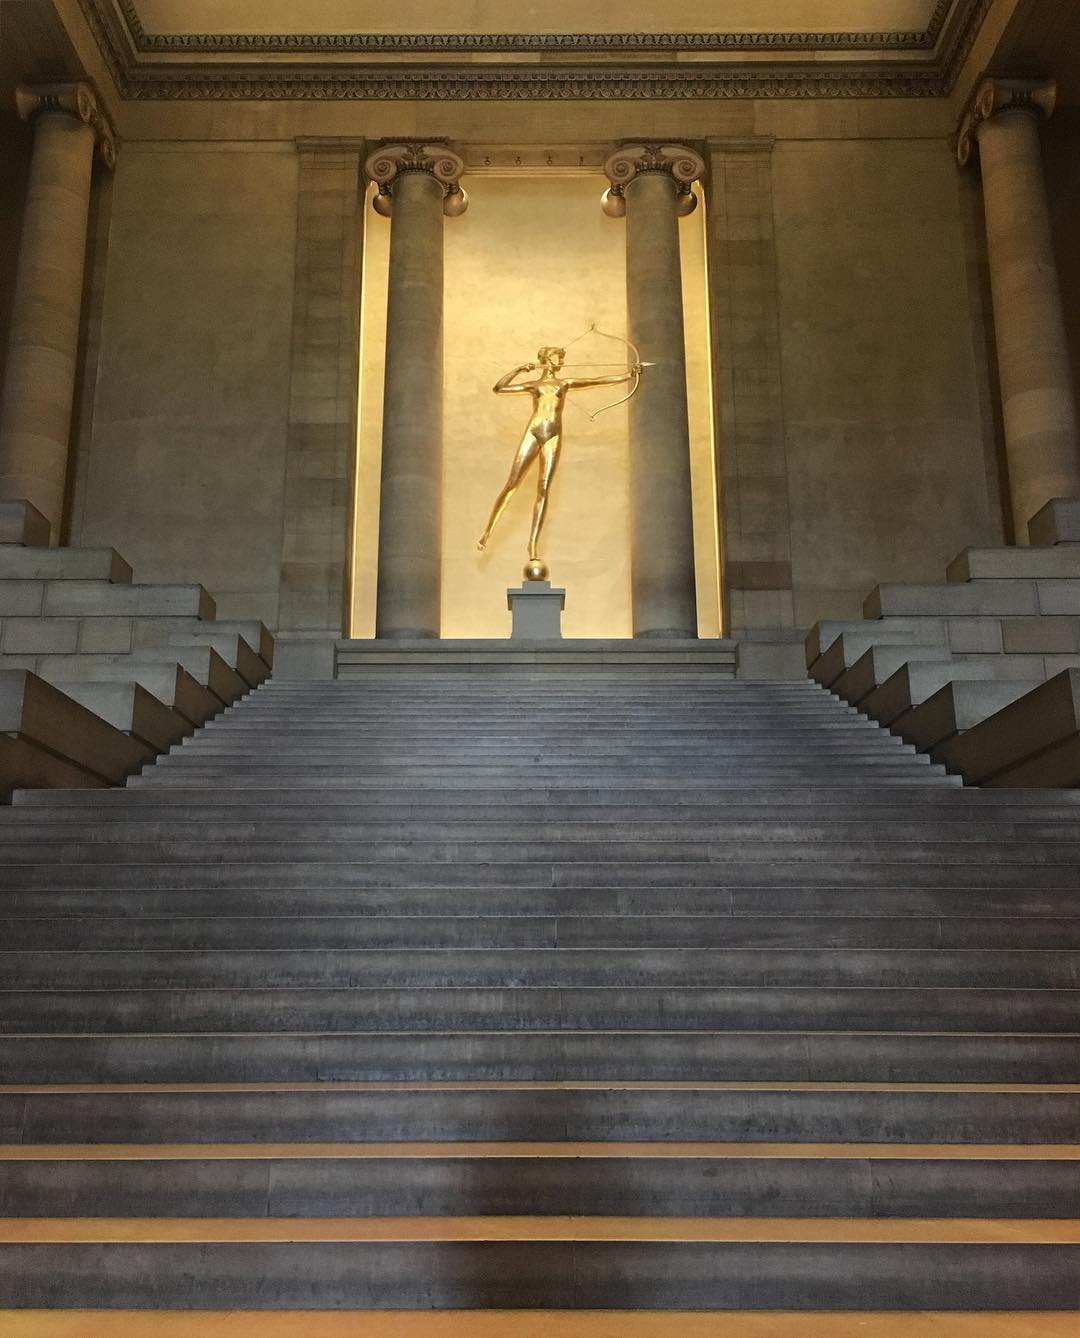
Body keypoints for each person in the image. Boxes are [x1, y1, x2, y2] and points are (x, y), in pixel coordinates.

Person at [477, 345, 641, 562]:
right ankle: (488, 531)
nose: (560, 362)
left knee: (543, 489)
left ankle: (532, 544)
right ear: (546, 359)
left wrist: (628, 375)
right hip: (534, 431)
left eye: (561, 359)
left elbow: (598, 380)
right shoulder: (535, 385)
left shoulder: (564, 383)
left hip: (553, 434)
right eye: (557, 357)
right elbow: (499, 388)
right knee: (512, 483)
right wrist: (519, 369)